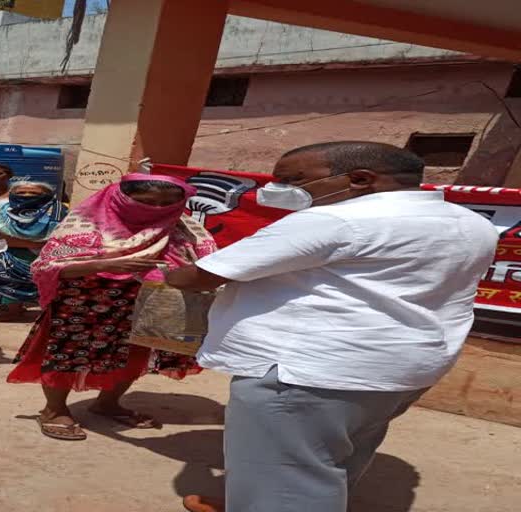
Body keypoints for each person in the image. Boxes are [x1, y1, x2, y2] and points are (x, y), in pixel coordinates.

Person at [168, 142, 499, 512]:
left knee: (290, 474)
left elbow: (200, 276)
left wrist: (165, 271)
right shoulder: (469, 222)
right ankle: (256, 499)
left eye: (293, 179)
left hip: (308, 372)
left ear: (359, 179)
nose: (277, 189)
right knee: (338, 452)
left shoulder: (334, 221)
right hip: (404, 365)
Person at [8, 173, 217, 441]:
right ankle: (53, 410)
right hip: (87, 300)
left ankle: (108, 403)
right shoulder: (85, 222)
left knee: (133, 354)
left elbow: (204, 262)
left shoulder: (184, 229)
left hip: (150, 302)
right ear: (121, 197)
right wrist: (103, 265)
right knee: (68, 353)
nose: (155, 208)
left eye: (166, 202)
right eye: (145, 201)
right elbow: (47, 266)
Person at [0, 180, 67, 322]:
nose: (27, 195)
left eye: (34, 193)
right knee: (7, 279)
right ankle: (13, 311)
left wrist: (19, 242)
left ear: (47, 195)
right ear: (12, 194)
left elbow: (67, 234)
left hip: (50, 254)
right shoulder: (0, 211)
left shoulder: (61, 211)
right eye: (21, 192)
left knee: (51, 284)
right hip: (12, 254)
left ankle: (50, 313)